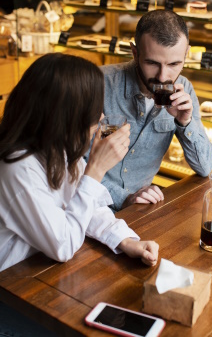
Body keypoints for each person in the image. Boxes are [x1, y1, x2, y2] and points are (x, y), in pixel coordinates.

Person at [0, 52, 159, 274]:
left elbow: (89, 208)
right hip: (14, 286)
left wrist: (126, 240)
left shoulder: (57, 148)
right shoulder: (16, 167)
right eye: (93, 109)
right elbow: (63, 246)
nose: (101, 116)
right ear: (64, 116)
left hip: (44, 271)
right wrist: (95, 170)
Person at [99, 10, 212, 212]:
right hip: (91, 208)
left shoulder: (185, 89)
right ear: (135, 53)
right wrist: (124, 198)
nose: (163, 77)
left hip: (139, 212)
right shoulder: (99, 84)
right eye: (152, 63)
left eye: (174, 64)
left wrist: (185, 123)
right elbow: (72, 166)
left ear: (186, 54)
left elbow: (205, 168)